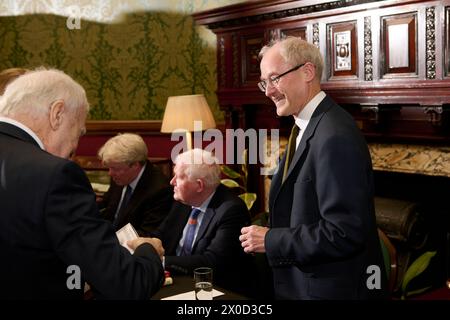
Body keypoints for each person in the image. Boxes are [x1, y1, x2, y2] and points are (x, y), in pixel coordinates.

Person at [239, 37, 387, 300]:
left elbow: (344, 232)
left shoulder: (334, 135)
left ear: (307, 72)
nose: (267, 91)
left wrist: (271, 240)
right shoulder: (306, 127)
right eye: (264, 82)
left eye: (275, 78)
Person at [0, 67, 164, 299]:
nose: (74, 147)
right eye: (78, 132)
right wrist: (149, 252)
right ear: (57, 114)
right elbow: (127, 284)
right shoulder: (55, 174)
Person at [148, 148, 255, 296]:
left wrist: (161, 261)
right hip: (176, 280)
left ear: (199, 185)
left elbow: (211, 262)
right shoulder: (184, 199)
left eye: (178, 177)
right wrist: (146, 245)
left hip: (214, 289)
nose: (172, 182)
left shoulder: (231, 210)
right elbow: (162, 233)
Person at [97, 133, 173, 235]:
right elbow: (107, 208)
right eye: (109, 168)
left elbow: (147, 233)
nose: (110, 173)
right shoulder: (119, 176)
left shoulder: (160, 190)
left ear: (135, 165)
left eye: (115, 168)